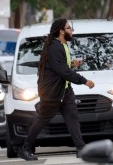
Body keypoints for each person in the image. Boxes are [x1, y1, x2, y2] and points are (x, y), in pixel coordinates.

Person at [18, 19, 95, 161]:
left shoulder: (62, 45)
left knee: (72, 118)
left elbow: (59, 65)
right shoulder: (55, 47)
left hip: (64, 90)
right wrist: (84, 81)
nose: (72, 31)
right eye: (69, 28)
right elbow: (63, 71)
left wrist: (72, 63)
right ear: (61, 31)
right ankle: (25, 148)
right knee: (42, 119)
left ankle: (81, 148)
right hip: (52, 92)